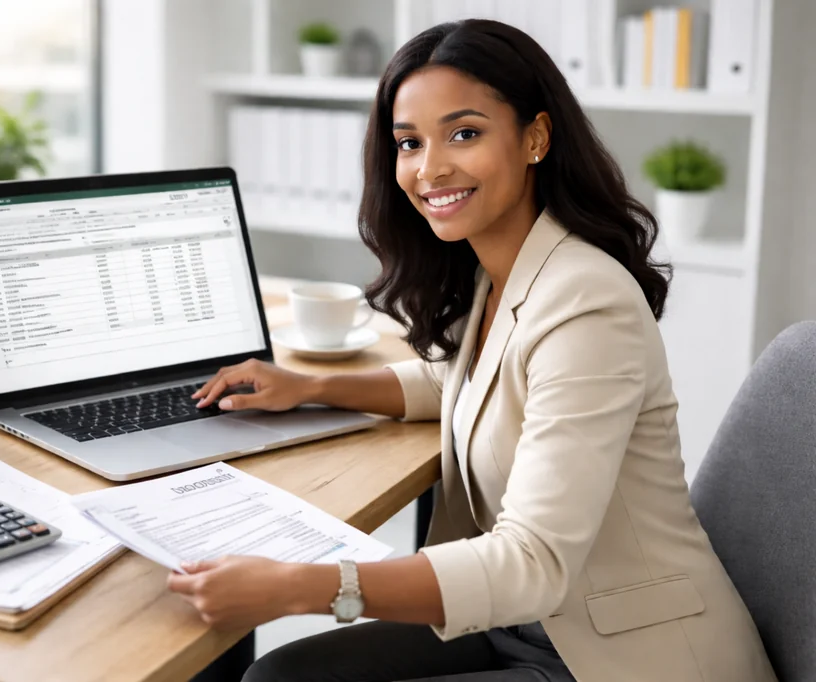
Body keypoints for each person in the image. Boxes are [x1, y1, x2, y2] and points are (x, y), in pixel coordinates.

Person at [168, 19, 777, 682]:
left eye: (464, 133)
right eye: (410, 142)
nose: (430, 167)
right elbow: (468, 381)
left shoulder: (587, 302)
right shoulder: (500, 272)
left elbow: (532, 562)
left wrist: (300, 587)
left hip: (620, 654)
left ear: (535, 137)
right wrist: (309, 387)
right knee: (279, 677)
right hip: (525, 623)